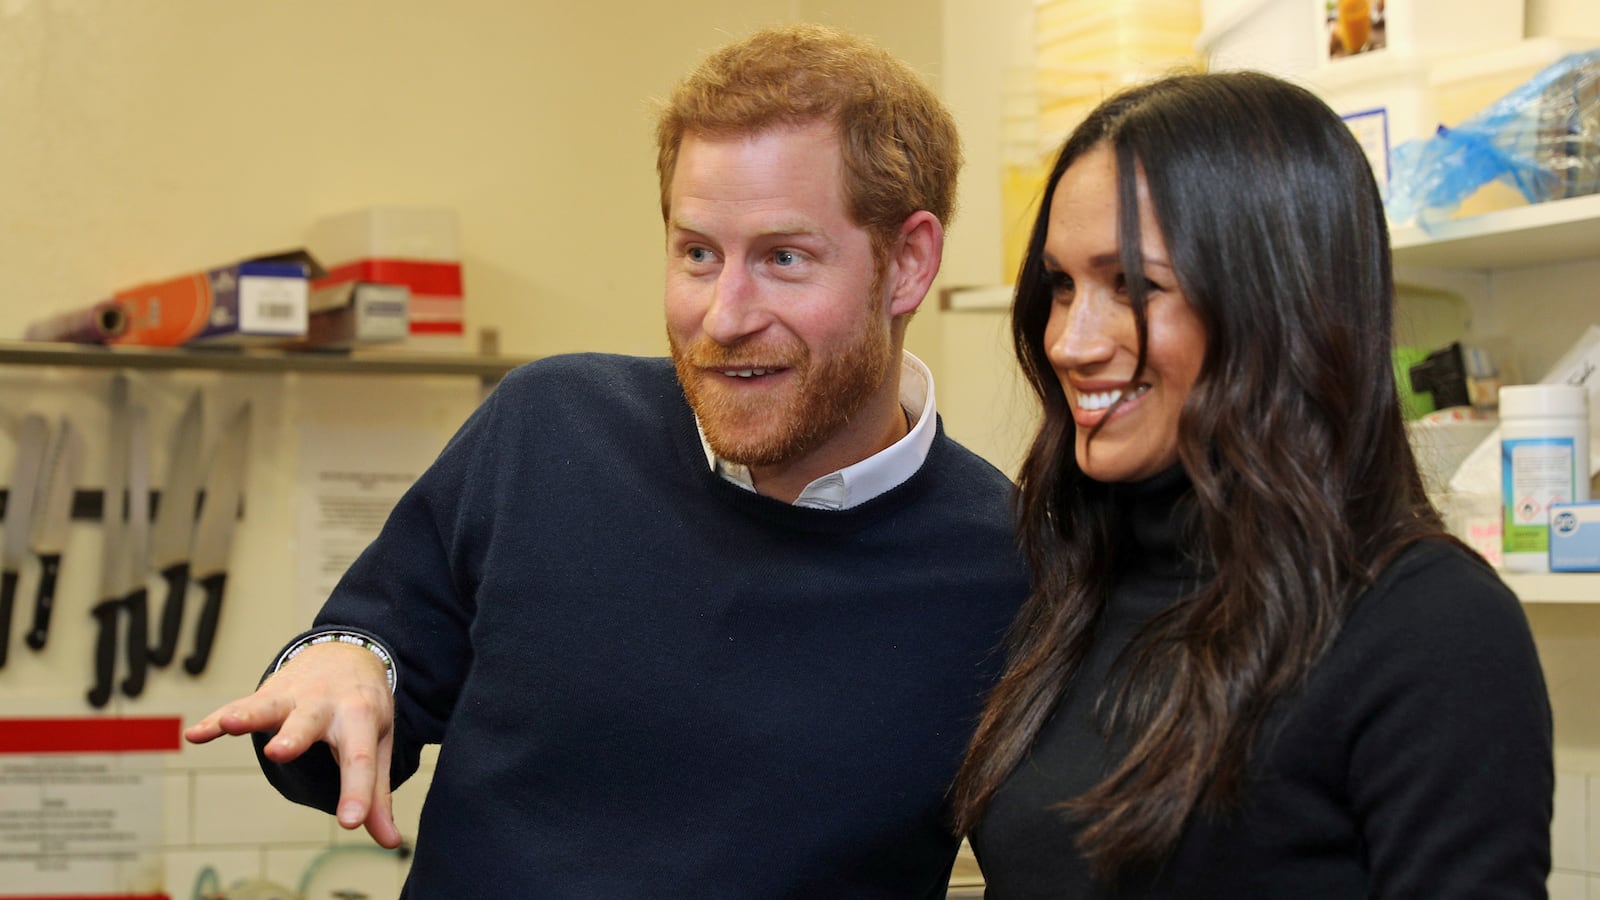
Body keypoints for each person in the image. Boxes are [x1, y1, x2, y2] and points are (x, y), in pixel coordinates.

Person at [184, 24, 1029, 898]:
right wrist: (343, 664)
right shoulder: (546, 430)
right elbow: (341, 710)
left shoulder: (1010, 568)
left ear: (909, 264)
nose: (725, 315)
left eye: (784, 258)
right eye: (698, 254)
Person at [951, 70, 1553, 898]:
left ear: (1278, 304)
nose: (1069, 340)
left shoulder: (1429, 626)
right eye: (1061, 285)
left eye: (1133, 284)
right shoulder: (1074, 589)